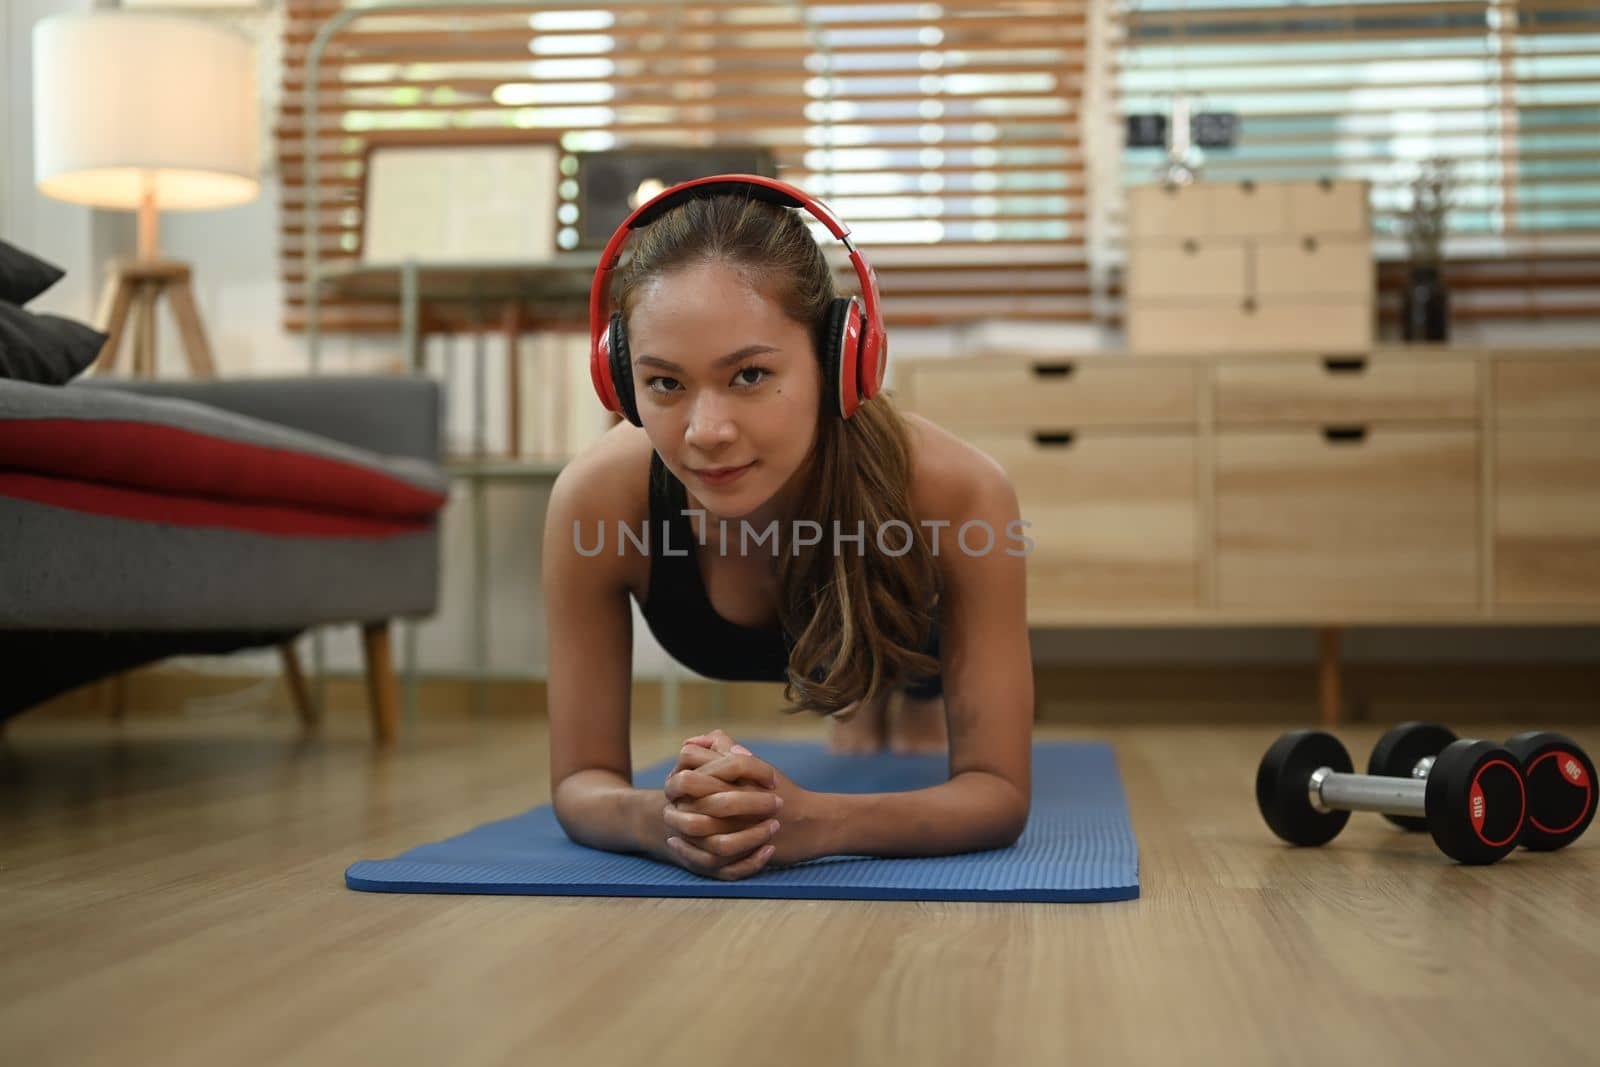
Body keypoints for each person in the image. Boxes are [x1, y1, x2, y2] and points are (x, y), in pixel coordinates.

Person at [542, 175, 1033, 881]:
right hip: (832, 612)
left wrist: (816, 821)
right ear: (621, 381)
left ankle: (885, 695)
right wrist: (665, 817)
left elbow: (999, 792)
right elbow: (581, 780)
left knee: (916, 743)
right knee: (859, 744)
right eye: (666, 384)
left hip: (903, 626)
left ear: (840, 358)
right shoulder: (595, 500)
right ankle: (856, 705)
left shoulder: (960, 491)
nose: (706, 433)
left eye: (749, 374)